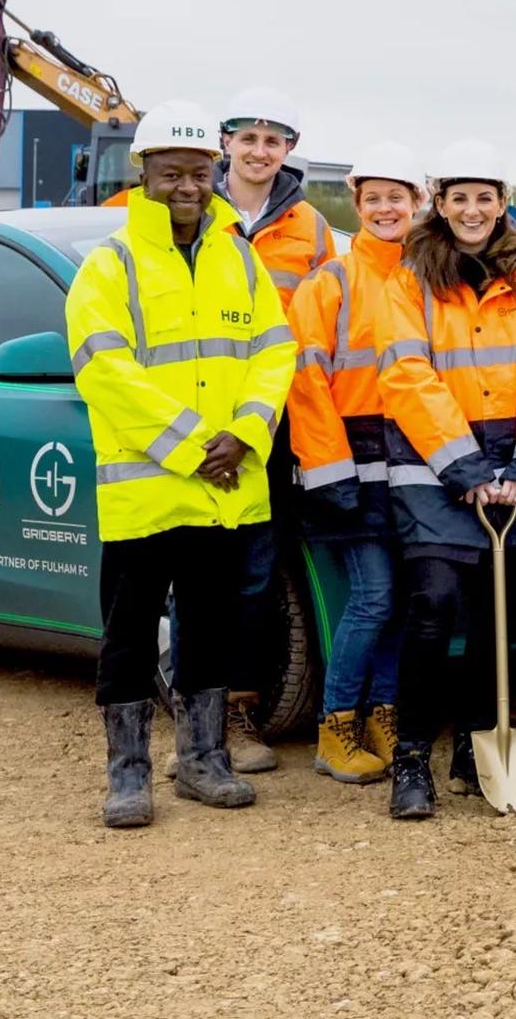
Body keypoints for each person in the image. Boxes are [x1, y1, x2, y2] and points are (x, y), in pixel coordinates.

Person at [65, 102, 296, 828]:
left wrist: (248, 435)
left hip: (223, 491)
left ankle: (203, 760)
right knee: (129, 635)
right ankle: (127, 773)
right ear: (144, 175)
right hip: (148, 494)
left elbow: (273, 351)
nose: (187, 187)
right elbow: (104, 370)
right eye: (172, 173)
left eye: (199, 173)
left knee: (210, 630)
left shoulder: (239, 256)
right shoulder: (112, 264)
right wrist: (197, 446)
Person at [372, 139, 516, 820]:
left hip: (515, 468)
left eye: (484, 197)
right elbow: (406, 375)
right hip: (435, 467)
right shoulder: (410, 278)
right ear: (440, 202)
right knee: (432, 606)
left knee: (498, 612)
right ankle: (410, 756)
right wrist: (462, 469)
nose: (471, 209)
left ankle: (473, 739)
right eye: (459, 197)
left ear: (501, 204)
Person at [286, 141, 430, 785]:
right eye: (372, 198)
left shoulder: (428, 279)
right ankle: (336, 723)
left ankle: (385, 713)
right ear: (357, 203)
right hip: (347, 465)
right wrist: (329, 470)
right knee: (373, 596)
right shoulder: (331, 282)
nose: (383, 208)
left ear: (418, 204)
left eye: (396, 197)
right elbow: (305, 381)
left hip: (410, 467)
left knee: (398, 600)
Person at [211, 87, 338, 775]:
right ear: (224, 142)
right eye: (247, 138)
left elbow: (324, 326)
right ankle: (204, 719)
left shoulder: (312, 228)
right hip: (200, 420)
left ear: (288, 151)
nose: (259, 151)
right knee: (203, 567)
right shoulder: (188, 212)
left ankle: (241, 710)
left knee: (259, 568)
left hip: (279, 421)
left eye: (273, 140)